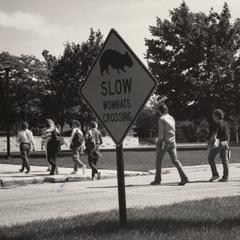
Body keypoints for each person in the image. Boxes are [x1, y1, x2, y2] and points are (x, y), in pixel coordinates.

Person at [151, 103, 189, 185]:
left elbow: (161, 133)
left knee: (158, 160)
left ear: (159, 111)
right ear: (166, 110)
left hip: (164, 142)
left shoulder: (161, 119)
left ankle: (158, 179)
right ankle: (184, 177)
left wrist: (159, 141)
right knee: (175, 160)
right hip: (172, 141)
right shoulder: (171, 118)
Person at [208, 109, 230, 182]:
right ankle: (225, 177)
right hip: (225, 143)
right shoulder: (225, 123)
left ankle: (215, 174)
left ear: (216, 116)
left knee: (211, 158)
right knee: (225, 160)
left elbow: (214, 134)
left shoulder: (216, 124)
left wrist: (210, 142)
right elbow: (228, 135)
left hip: (219, 142)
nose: (213, 117)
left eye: (214, 115)